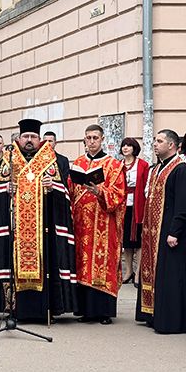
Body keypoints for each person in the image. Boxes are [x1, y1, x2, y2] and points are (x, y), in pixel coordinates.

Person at [0, 119, 77, 321]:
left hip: (43, 230)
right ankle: (13, 308)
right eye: (26, 137)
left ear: (39, 139)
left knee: (47, 266)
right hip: (14, 230)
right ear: (19, 138)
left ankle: (45, 309)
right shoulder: (9, 159)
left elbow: (64, 196)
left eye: (33, 137)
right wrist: (5, 190)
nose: (29, 140)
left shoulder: (49, 160)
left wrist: (52, 188)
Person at [135, 129, 186, 333]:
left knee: (172, 275)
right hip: (154, 230)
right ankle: (153, 313)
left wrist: (175, 231)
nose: (154, 144)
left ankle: (174, 320)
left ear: (171, 145)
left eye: (159, 141)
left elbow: (182, 204)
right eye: (154, 140)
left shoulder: (181, 170)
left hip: (170, 231)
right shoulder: (158, 168)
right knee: (157, 272)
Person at [69, 124, 126, 324]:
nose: (91, 141)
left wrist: (100, 192)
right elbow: (70, 190)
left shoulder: (114, 165)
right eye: (88, 138)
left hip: (104, 222)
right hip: (81, 224)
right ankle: (84, 310)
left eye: (95, 137)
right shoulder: (77, 163)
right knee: (82, 264)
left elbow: (119, 194)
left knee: (103, 263)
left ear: (102, 139)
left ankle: (103, 312)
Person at [120, 136, 150, 285]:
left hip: (138, 205)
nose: (126, 148)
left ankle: (138, 273)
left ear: (134, 148)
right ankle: (128, 271)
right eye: (124, 145)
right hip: (123, 206)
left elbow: (146, 185)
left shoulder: (143, 165)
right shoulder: (118, 165)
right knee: (126, 241)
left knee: (138, 241)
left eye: (129, 146)